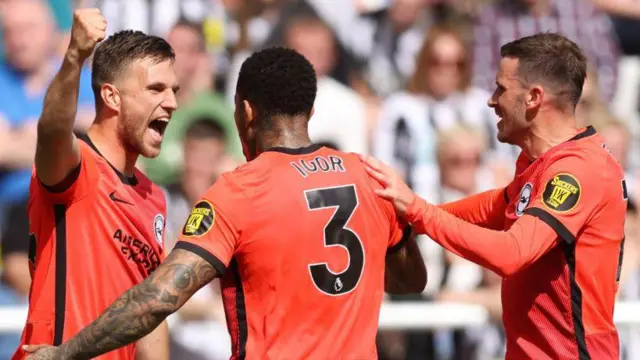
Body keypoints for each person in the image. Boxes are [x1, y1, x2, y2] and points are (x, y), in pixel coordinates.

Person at [23, 47, 427, 360]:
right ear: (310, 109)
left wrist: (67, 352)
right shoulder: (368, 177)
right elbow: (411, 281)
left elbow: (160, 297)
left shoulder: (240, 191)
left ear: (246, 112)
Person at [362, 32, 627, 359]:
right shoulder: (540, 161)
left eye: (501, 88)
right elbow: (497, 205)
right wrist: (408, 220)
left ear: (533, 97)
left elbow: (512, 253)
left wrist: (418, 211)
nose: (491, 100)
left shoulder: (579, 170)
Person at [12, 8, 179, 360]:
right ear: (111, 96)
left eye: (174, 90)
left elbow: (148, 313)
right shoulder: (78, 168)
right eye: (156, 89)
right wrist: (74, 54)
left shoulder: (155, 198)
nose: (172, 102)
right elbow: (53, 129)